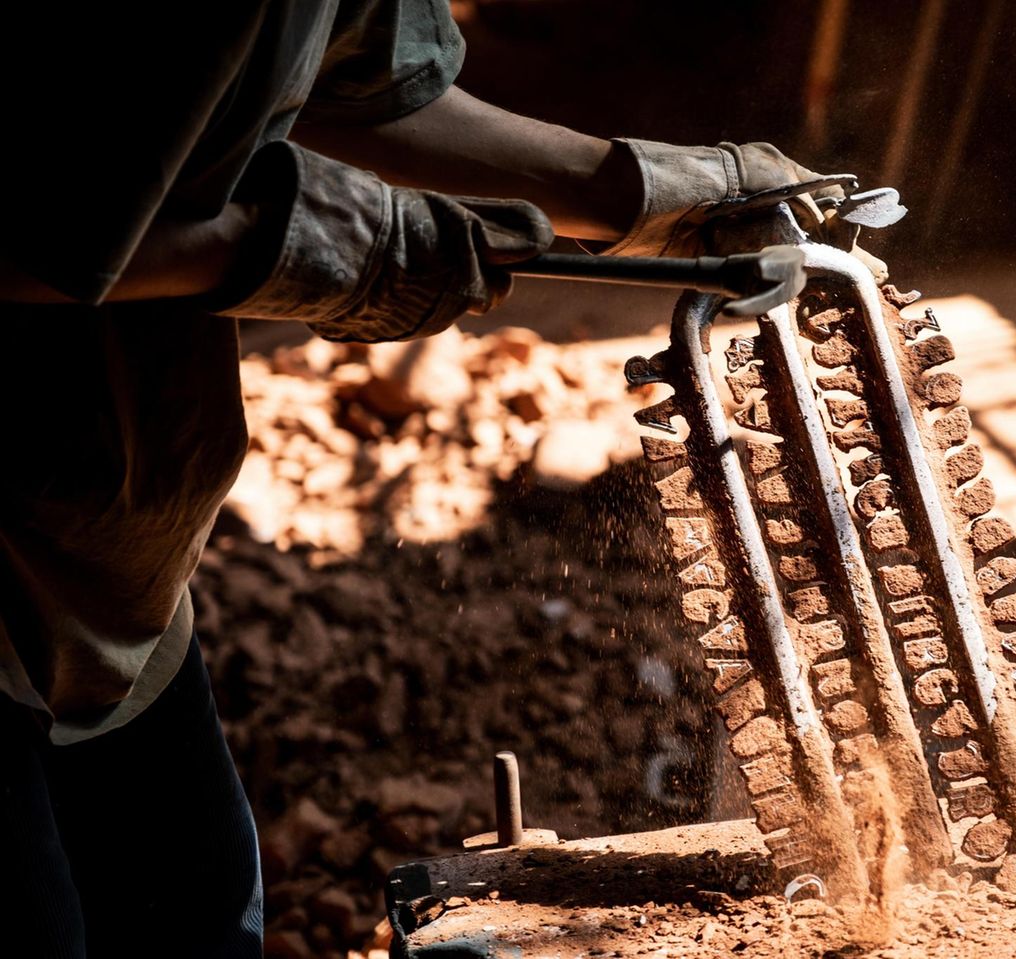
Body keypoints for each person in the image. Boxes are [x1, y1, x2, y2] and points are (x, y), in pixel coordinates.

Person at [0, 2, 848, 956]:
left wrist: (637, 191)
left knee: (198, 916)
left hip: (109, 564)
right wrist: (290, 249)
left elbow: (364, 85)